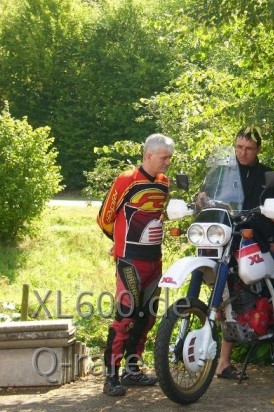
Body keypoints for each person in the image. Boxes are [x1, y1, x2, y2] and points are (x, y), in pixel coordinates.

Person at [97, 133, 175, 396]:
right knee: (127, 315)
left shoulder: (164, 183)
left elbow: (160, 215)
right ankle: (111, 376)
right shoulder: (126, 179)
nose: (167, 162)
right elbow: (104, 218)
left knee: (148, 315)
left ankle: (132, 370)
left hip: (155, 259)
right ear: (149, 155)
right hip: (130, 260)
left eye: (170, 158)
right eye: (164, 158)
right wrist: (119, 243)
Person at [215, 126, 274, 380]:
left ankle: (225, 360)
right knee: (224, 297)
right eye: (239, 147)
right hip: (224, 240)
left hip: (254, 240)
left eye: (248, 149)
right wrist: (201, 199)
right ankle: (221, 362)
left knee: (244, 296)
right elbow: (209, 195)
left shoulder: (269, 175)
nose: (242, 153)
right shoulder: (224, 171)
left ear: (258, 150)